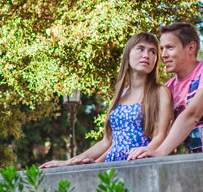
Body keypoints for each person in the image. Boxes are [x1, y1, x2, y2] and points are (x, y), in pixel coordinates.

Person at [44, 32, 173, 167]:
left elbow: (160, 136)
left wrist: (143, 153)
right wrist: (70, 162)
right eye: (140, 49)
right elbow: (108, 141)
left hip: (140, 165)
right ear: (127, 56)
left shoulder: (160, 92)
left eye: (152, 52)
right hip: (111, 168)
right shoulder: (121, 95)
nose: (146, 55)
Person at [128, 22, 203, 158]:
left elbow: (193, 114)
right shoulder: (168, 88)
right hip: (197, 166)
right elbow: (156, 130)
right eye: (162, 49)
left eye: (170, 47)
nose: (163, 55)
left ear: (190, 48)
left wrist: (160, 152)